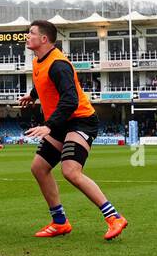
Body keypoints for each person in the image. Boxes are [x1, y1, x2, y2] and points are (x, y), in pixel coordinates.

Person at [20, 20, 128, 241]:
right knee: (39, 168)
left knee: (70, 171)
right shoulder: (38, 60)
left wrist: (48, 126)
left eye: (30, 33)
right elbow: (44, 81)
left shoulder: (59, 64)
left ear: (44, 39)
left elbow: (69, 100)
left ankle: (114, 217)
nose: (26, 36)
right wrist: (32, 95)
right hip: (61, 123)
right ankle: (60, 222)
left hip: (80, 121)